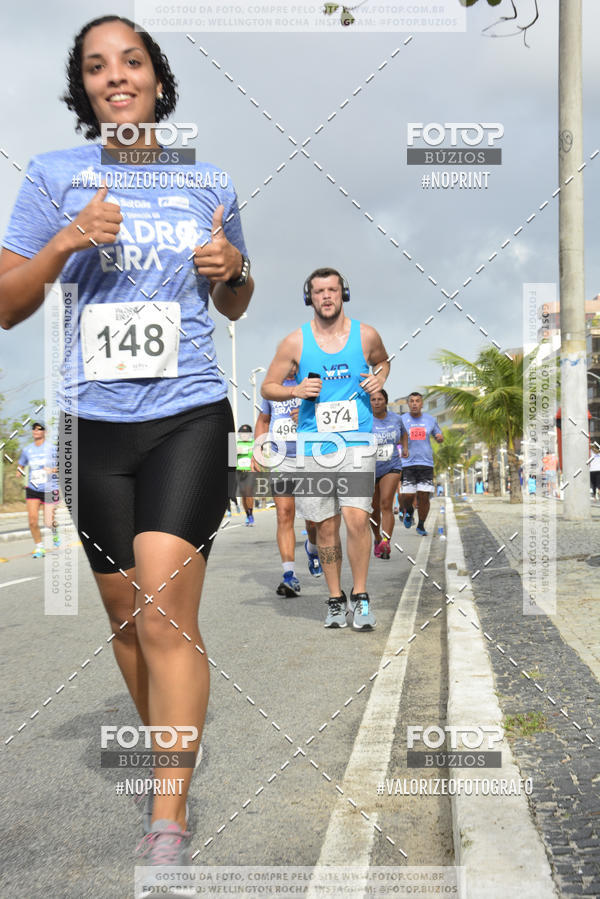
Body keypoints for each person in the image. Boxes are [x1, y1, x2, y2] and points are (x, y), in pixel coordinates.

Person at [0, 15, 253, 881]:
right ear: (85, 88)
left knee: (163, 610)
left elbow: (237, 299)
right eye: (97, 67)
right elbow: (5, 301)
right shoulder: (52, 177)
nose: (116, 76)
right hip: (91, 425)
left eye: (131, 61)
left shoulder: (206, 178)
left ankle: (167, 811)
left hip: (189, 412)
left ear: (155, 78)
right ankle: (169, 749)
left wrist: (231, 269)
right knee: (126, 621)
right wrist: (68, 241)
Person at [261, 267, 390, 631]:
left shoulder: (366, 335)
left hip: (356, 440)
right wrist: (295, 391)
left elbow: (383, 360)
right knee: (326, 526)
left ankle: (361, 595)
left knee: (356, 518)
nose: (326, 297)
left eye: (332, 290)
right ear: (310, 298)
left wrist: (380, 376)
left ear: (343, 293)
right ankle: (335, 599)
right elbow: (268, 387)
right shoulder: (295, 343)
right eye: (319, 292)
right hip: (314, 444)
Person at [254, 363, 322, 596]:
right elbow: (263, 421)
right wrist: (258, 448)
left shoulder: (313, 384)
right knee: (284, 514)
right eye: (287, 362)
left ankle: (312, 549)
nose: (291, 367)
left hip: (309, 456)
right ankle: (289, 575)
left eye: (296, 362)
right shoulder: (272, 388)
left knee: (313, 520)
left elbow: (329, 418)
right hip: (281, 458)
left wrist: (308, 416)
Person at [369, 389, 407, 560]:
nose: (376, 402)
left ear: (385, 401)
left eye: (380, 399)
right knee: (374, 510)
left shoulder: (396, 419)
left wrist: (404, 448)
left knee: (386, 504)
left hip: (391, 465)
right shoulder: (365, 419)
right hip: (369, 467)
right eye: (373, 399)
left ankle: (386, 540)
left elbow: (404, 433)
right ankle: (377, 538)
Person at [400, 392, 443, 536]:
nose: (414, 403)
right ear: (408, 404)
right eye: (411, 401)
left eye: (417, 401)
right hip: (407, 463)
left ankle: (421, 525)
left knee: (424, 496)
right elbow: (396, 438)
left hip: (425, 463)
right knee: (407, 496)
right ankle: (409, 511)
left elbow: (438, 434)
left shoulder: (430, 420)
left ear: (422, 404)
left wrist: (439, 437)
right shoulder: (402, 420)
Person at [17, 422, 60, 557]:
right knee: (32, 520)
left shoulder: (52, 449)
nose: (36, 431)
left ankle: (54, 531)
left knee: (48, 522)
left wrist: (52, 470)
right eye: (34, 429)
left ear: (45, 432)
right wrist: (19, 471)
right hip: (33, 488)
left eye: (39, 429)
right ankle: (39, 547)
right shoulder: (27, 450)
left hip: (50, 489)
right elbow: (21, 464)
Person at [236, 424, 256, 525]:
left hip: (250, 471)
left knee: (249, 493)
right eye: (242, 433)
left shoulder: (253, 443)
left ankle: (251, 514)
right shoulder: (236, 444)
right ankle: (247, 515)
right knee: (243, 495)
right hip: (239, 471)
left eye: (246, 433)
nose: (244, 435)